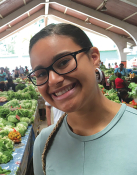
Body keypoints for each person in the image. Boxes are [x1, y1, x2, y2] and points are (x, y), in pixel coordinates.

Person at [29, 23, 137, 175]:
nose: (53, 80)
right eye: (40, 74)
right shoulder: (44, 143)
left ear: (93, 58)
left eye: (64, 62)